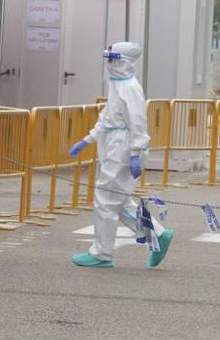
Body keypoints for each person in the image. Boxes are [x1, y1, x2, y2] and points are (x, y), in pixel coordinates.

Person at [68, 42, 174, 268]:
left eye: (112, 58)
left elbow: (138, 121)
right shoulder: (118, 85)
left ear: (123, 60)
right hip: (115, 143)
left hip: (123, 147)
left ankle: (101, 254)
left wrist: (136, 151)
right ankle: (157, 234)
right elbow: (108, 116)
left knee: (106, 200)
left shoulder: (130, 87)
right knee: (120, 201)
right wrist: (88, 139)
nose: (109, 63)